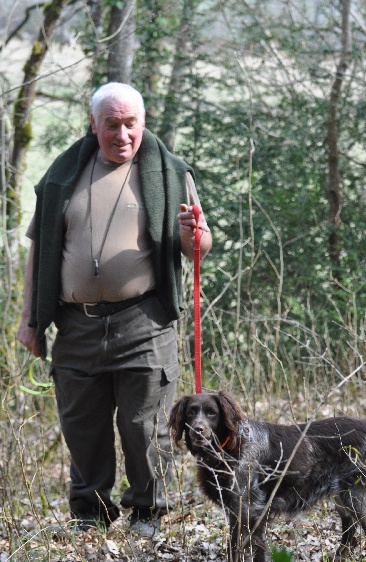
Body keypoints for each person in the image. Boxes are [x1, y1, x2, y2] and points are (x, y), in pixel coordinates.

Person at [16, 82, 212, 536]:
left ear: (142, 124)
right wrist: (30, 320)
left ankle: (147, 516)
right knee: (84, 430)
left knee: (145, 429)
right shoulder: (63, 176)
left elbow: (198, 248)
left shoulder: (169, 173)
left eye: (130, 124)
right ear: (94, 125)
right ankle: (90, 516)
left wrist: (194, 231)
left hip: (144, 322)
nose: (122, 134)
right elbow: (39, 252)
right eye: (112, 124)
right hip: (75, 326)